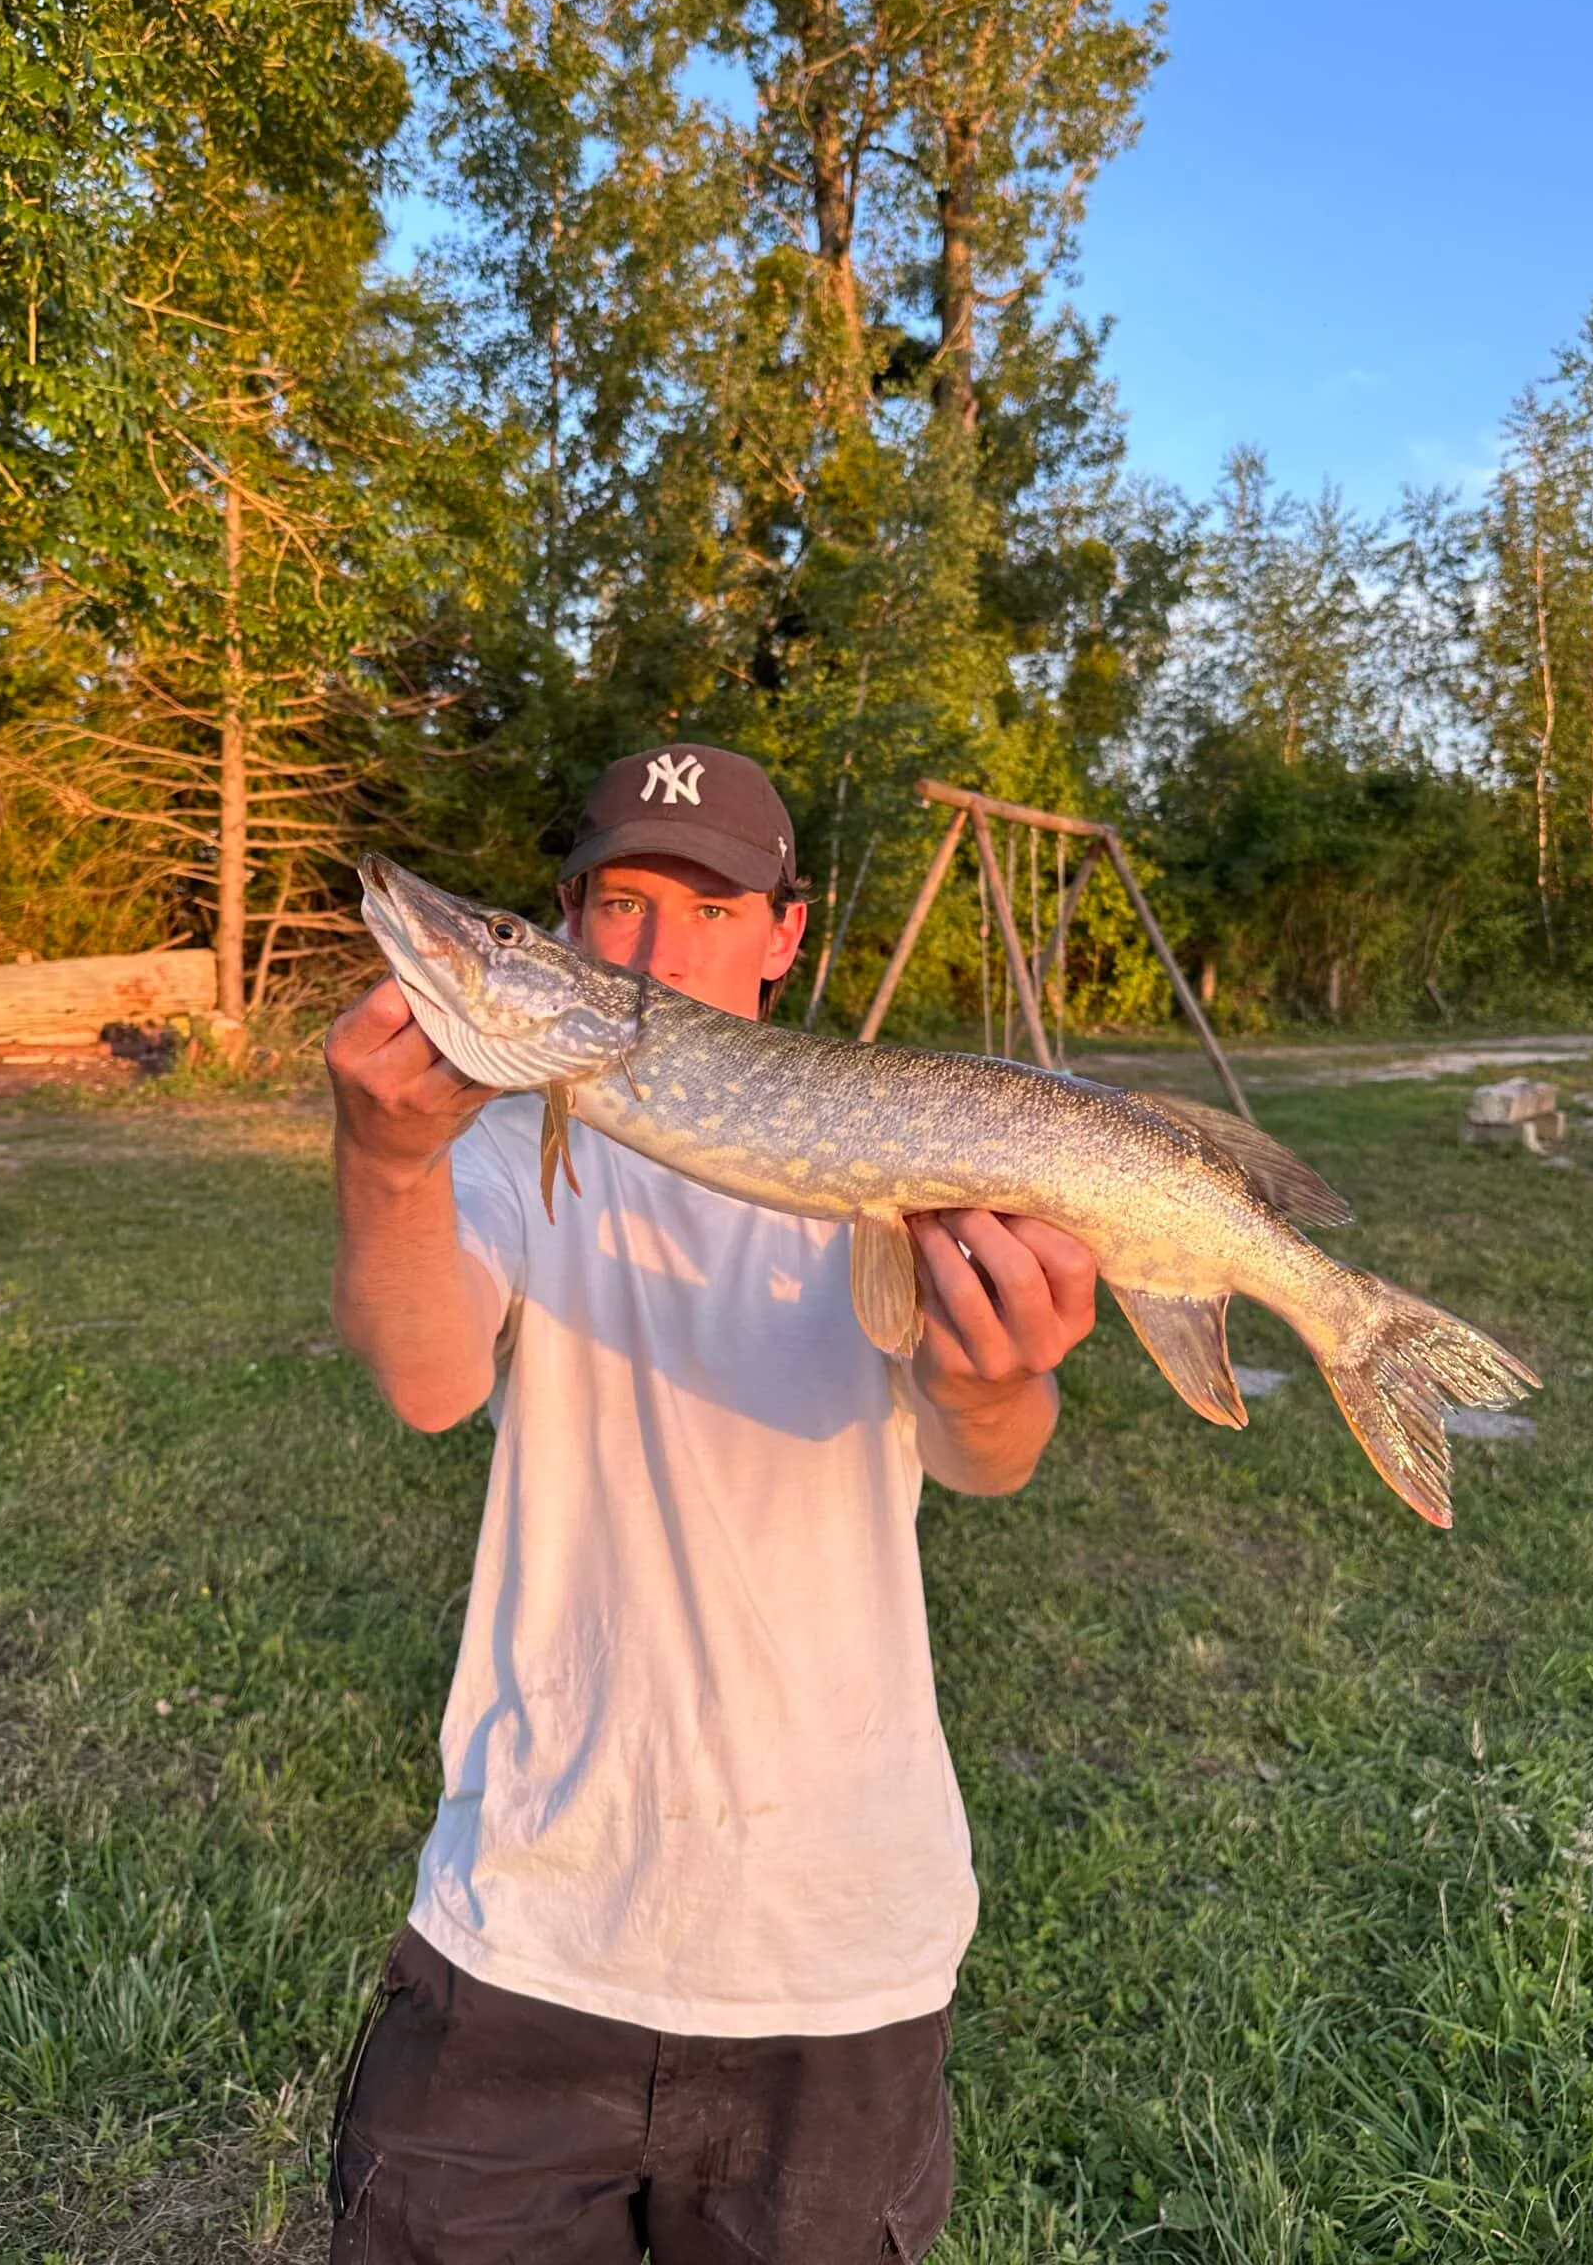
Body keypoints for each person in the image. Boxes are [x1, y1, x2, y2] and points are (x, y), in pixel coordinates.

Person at [324, 744, 1098, 2264]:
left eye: (712, 908)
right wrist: (382, 1158)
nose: (661, 948)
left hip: (838, 1946)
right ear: (564, 927)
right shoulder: (495, 1142)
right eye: (619, 904)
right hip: (533, 1920)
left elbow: (986, 1457)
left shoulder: (894, 1154)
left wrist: (1005, 1376)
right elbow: (426, 1381)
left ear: (786, 934)